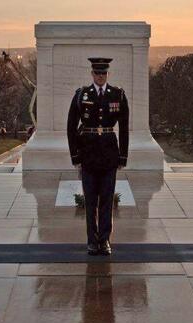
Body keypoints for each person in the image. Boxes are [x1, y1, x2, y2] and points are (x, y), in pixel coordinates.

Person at [66, 57, 129, 255]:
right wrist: (75, 155)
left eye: (103, 73)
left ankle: (105, 240)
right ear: (92, 74)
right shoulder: (81, 95)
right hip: (88, 153)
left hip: (109, 153)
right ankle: (92, 240)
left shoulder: (118, 94)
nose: (100, 76)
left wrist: (122, 156)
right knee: (91, 199)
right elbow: (71, 127)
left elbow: (124, 129)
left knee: (107, 200)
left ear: (108, 74)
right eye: (97, 73)